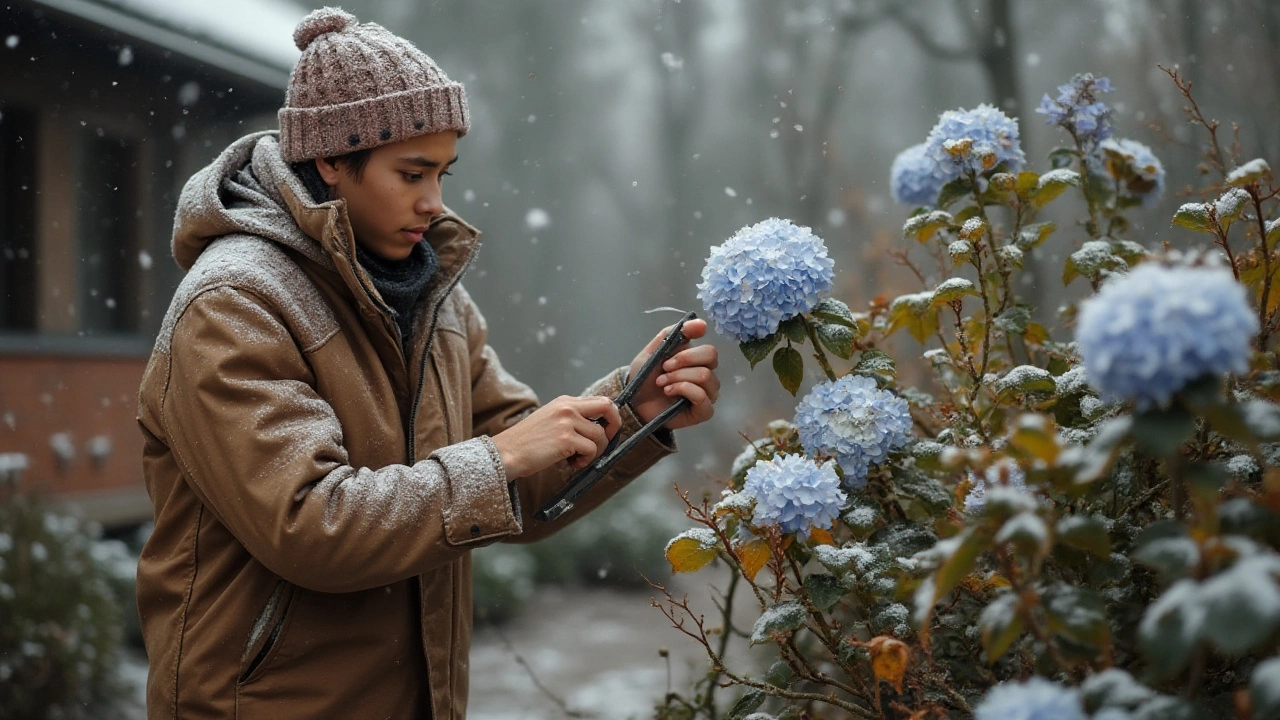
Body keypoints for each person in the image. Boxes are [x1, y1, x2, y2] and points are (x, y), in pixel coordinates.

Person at [134, 7, 719, 718]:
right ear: (329, 160)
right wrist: (498, 457)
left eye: (443, 171)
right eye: (412, 172)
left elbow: (520, 487)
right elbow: (311, 525)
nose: (433, 201)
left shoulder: (433, 297)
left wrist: (631, 412)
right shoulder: (233, 305)